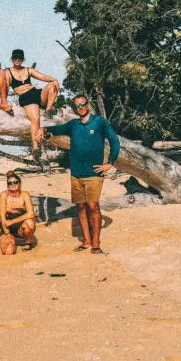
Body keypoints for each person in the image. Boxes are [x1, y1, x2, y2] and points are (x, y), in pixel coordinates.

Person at [37, 95, 120, 254]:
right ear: (75, 109)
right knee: (81, 207)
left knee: (93, 206)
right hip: (76, 172)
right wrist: (44, 129)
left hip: (94, 172)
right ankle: (86, 241)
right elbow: (58, 129)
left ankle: (96, 244)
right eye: (77, 105)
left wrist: (110, 162)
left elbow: (114, 140)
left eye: (83, 104)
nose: (80, 107)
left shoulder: (99, 122)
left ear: (88, 105)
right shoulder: (73, 124)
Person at [0, 49, 60, 157]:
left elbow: (43, 77)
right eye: (15, 58)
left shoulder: (28, 69)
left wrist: (54, 79)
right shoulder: (7, 72)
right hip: (26, 97)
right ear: (12, 59)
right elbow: (5, 87)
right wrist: (3, 102)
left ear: (23, 59)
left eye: (20, 58)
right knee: (35, 120)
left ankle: (48, 109)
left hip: (36, 93)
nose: (17, 60)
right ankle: (35, 147)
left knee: (52, 85)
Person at [0, 171, 36, 254]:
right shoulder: (4, 195)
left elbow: (30, 214)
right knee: (9, 252)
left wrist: (11, 222)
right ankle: (11, 240)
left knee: (30, 223)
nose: (13, 184)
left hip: (21, 229)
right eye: (10, 183)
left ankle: (27, 242)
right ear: (7, 185)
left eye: (15, 182)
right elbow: (3, 217)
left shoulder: (25, 195)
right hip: (7, 229)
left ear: (19, 184)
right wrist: (7, 234)